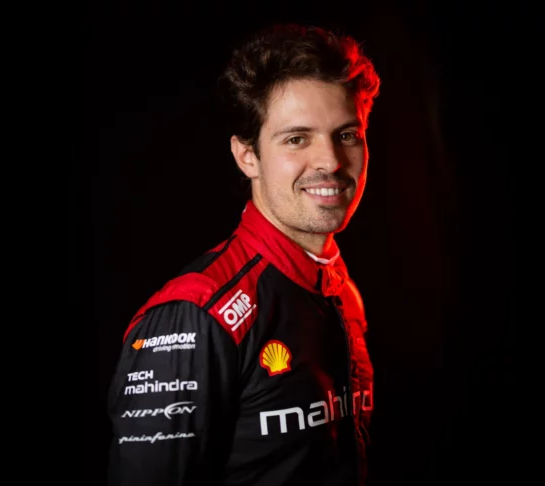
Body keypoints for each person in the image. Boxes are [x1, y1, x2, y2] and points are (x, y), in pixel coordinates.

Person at [107, 23, 381, 486]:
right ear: (247, 156)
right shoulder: (195, 316)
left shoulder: (342, 291)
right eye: (297, 138)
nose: (331, 160)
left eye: (347, 134)